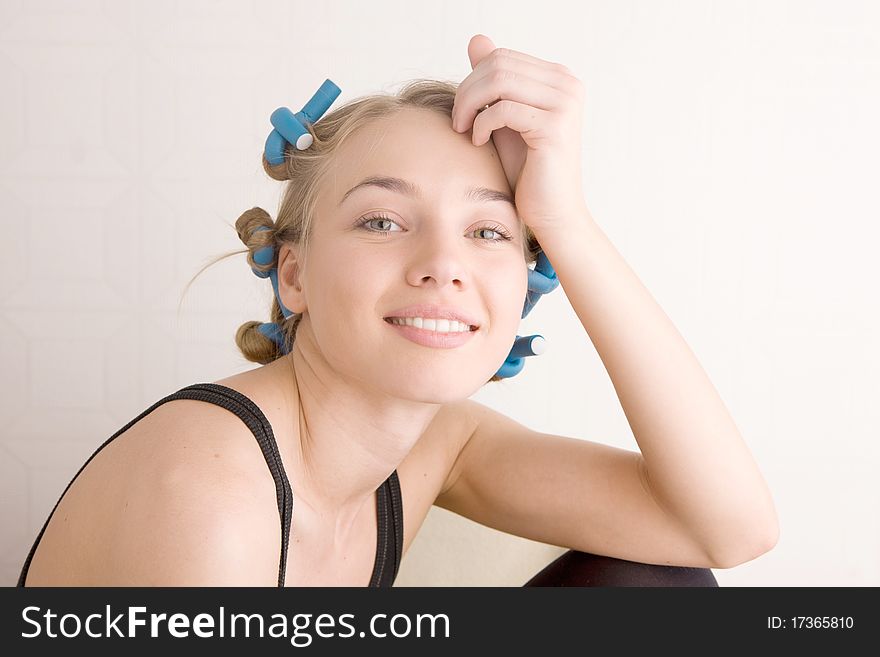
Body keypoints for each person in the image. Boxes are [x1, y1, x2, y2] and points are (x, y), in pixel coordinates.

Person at [18, 35, 777, 587]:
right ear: (294, 276)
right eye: (382, 221)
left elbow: (725, 528)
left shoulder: (437, 444)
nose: (444, 264)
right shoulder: (206, 488)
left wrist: (569, 222)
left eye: (488, 232)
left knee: (651, 588)